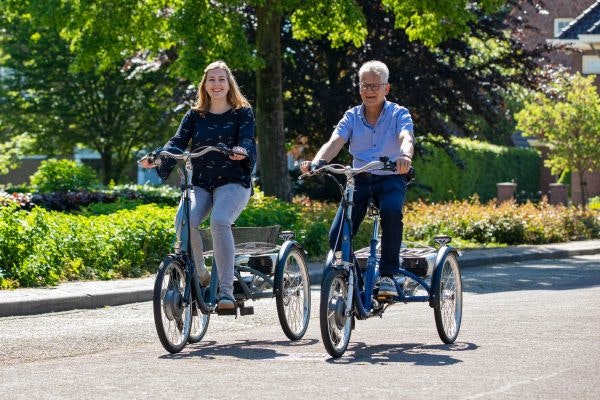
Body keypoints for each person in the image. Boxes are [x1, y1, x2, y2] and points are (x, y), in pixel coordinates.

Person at [140, 60, 256, 310]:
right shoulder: (194, 115)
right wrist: (157, 156)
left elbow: (246, 138)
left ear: (229, 84)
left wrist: (242, 150)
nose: (216, 84)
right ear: (205, 84)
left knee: (219, 220)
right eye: (211, 80)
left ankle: (226, 293)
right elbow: (177, 142)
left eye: (221, 79)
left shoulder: (242, 112)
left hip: (233, 181)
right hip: (202, 183)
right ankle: (202, 275)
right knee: (185, 220)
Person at [301, 60, 414, 298]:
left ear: (387, 88)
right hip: (360, 180)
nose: (369, 91)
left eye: (375, 86)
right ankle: (356, 280)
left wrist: (404, 156)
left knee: (392, 212)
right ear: (359, 88)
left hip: (391, 177)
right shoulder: (351, 116)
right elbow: (335, 142)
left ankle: (388, 275)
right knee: (337, 236)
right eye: (365, 85)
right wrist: (317, 162)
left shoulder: (398, 113)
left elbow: (406, 137)